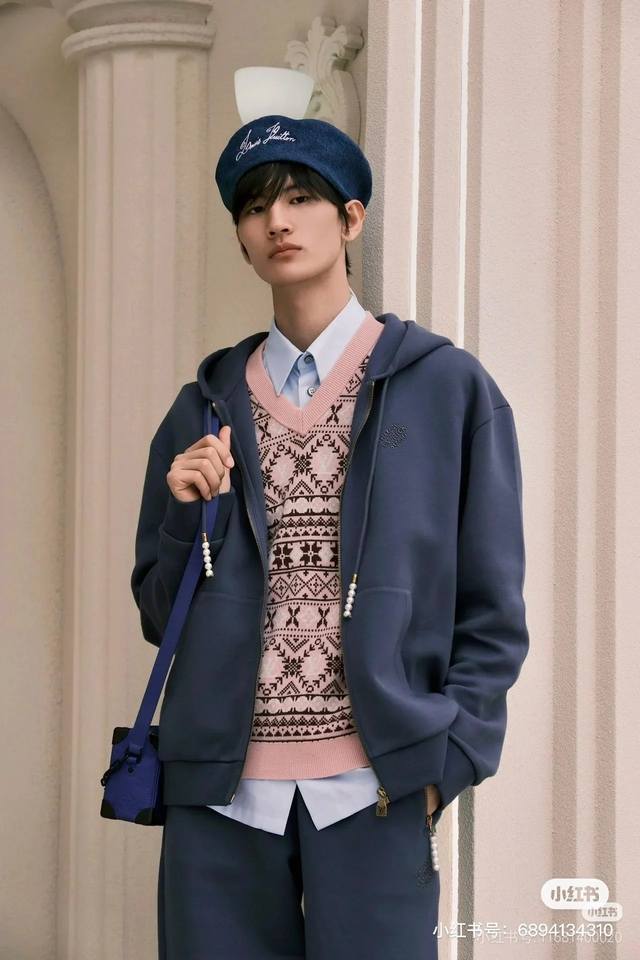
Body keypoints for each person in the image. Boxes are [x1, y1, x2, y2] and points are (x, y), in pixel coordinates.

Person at [130, 114, 530, 959]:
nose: (277, 221)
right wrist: (183, 513)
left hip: (374, 793)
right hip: (219, 803)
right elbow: (161, 616)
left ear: (351, 219)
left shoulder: (446, 389)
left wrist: (445, 762)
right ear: (241, 240)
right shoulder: (200, 410)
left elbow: (492, 608)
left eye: (301, 199)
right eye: (255, 208)